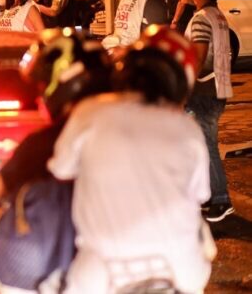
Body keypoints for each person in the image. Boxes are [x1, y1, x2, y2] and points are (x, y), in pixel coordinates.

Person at [49, 26, 214, 294]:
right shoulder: (189, 130)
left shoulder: (90, 112)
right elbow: (199, 195)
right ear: (181, 82)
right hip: (180, 272)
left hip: (101, 275)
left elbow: (61, 171)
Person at [0, 29, 112, 291]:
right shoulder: (141, 128)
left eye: (43, 84)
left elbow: (0, 184)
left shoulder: (53, 139)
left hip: (78, 268)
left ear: (64, 79)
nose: (40, 95)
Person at [185, 0, 235, 222]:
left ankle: (220, 199)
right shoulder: (218, 16)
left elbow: (199, 58)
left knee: (206, 145)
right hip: (219, 88)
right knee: (203, 145)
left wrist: (184, 87)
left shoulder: (201, 19)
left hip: (204, 91)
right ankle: (207, 197)